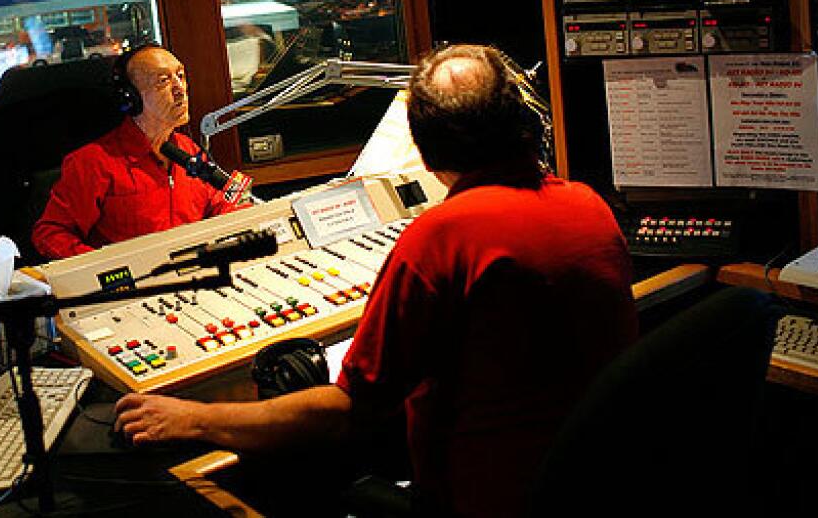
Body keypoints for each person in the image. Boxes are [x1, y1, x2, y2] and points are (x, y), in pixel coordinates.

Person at [113, 44, 638, 516]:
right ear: (525, 122)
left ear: (427, 150)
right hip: (600, 487)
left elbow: (346, 413)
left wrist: (194, 417)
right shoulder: (589, 206)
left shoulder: (442, 237)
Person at [31, 43, 242, 259]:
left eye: (180, 76)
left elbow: (221, 206)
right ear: (130, 98)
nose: (180, 89)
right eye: (163, 81)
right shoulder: (93, 163)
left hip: (194, 276)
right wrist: (106, 268)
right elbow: (51, 233)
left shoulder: (188, 150)